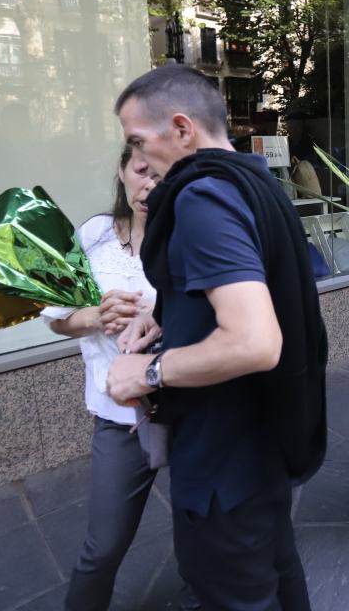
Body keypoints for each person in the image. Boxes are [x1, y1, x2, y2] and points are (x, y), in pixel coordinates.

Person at [106, 64, 325, 611]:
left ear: (182, 130)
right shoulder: (253, 181)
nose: (136, 159)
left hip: (224, 455)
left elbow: (254, 341)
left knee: (234, 592)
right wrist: (170, 312)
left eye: (139, 140)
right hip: (265, 437)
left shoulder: (202, 196)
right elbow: (252, 287)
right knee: (278, 572)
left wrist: (149, 371)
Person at [41, 147, 197, 611]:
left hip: (191, 404)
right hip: (122, 413)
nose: (149, 184)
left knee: (201, 536)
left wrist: (166, 316)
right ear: (122, 171)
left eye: (161, 173)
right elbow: (57, 317)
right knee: (104, 544)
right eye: (140, 170)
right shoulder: (92, 234)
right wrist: (94, 315)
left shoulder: (192, 237)